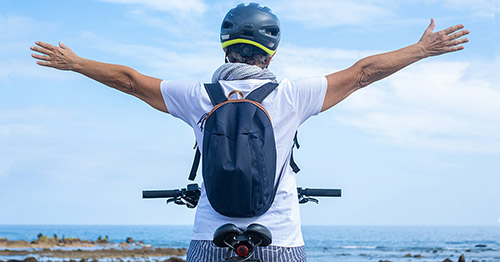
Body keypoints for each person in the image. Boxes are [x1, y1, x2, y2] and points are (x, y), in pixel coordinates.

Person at [30, 3, 469, 262]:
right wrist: (422, 49)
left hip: (210, 238)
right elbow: (363, 73)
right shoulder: (292, 96)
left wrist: (75, 62)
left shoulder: (198, 95)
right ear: (271, 53)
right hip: (279, 239)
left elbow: (128, 79)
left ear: (224, 46)